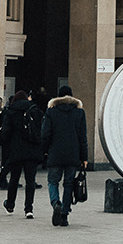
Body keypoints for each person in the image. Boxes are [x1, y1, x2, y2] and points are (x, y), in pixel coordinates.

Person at [41, 84, 89, 226]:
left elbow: (45, 134)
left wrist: (44, 150)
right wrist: (84, 157)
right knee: (69, 184)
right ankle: (64, 214)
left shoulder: (51, 111)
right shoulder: (79, 113)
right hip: (73, 154)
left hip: (55, 153)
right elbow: (82, 137)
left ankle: (56, 202)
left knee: (53, 181)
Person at [0, 87, 44, 217]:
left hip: (16, 150)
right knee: (30, 180)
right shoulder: (35, 110)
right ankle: (28, 209)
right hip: (32, 150)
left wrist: (5, 145)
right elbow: (41, 129)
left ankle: (10, 205)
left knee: (14, 179)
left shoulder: (10, 112)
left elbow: (5, 133)